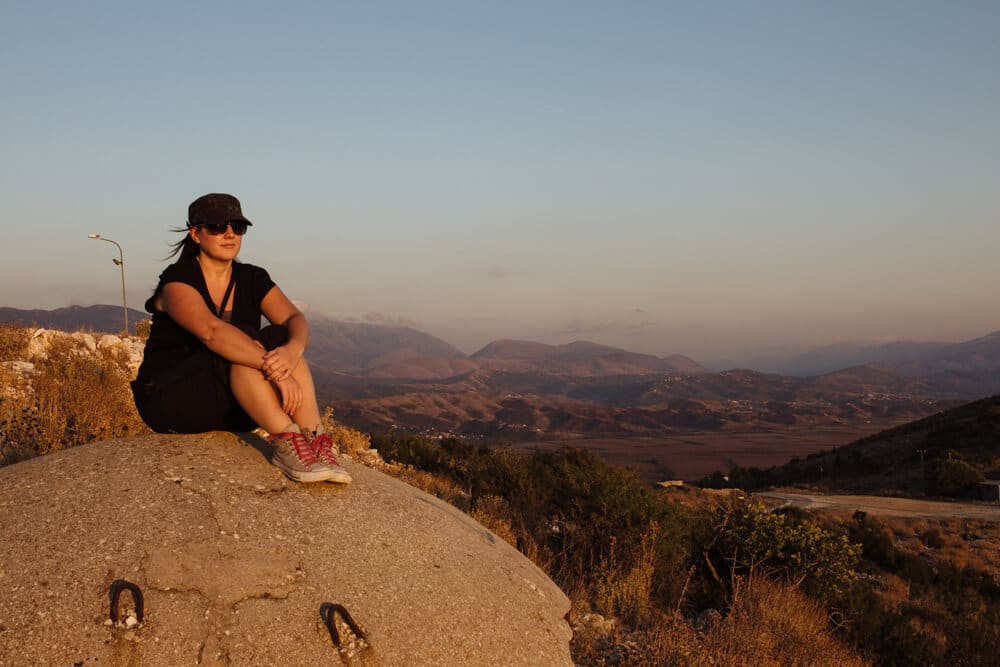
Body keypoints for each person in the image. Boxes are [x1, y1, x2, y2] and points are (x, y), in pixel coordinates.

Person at [131, 193, 351, 484]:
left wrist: (292, 351)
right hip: (172, 399)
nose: (229, 234)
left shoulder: (252, 277)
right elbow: (212, 332)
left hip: (236, 401)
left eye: (237, 227)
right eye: (217, 227)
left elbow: (295, 319)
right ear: (195, 234)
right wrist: (276, 371)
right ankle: (287, 440)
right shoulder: (177, 281)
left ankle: (314, 440)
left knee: (281, 336)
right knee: (246, 337)